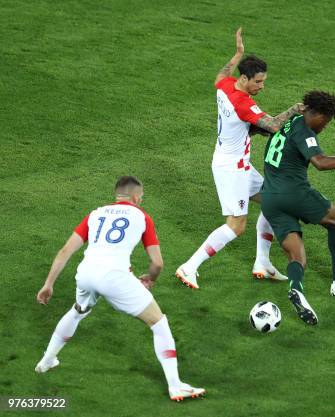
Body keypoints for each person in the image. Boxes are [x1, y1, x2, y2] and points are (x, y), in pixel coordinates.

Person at [35, 176, 205, 402]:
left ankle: (46, 361)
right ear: (135, 197)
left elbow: (66, 250)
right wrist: (150, 278)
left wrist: (48, 284)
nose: (141, 201)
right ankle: (175, 386)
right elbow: (157, 263)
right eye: (141, 197)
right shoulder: (142, 216)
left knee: (78, 311)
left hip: (85, 273)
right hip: (114, 276)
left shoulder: (95, 214)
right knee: (158, 322)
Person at [176, 28, 304, 288]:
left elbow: (221, 75)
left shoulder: (225, 86)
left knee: (273, 202)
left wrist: (237, 54)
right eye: (258, 81)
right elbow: (273, 126)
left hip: (238, 164)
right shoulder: (243, 103)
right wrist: (296, 109)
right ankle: (189, 267)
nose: (262, 86)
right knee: (236, 226)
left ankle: (262, 263)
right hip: (231, 169)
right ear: (244, 79)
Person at [260, 90, 335, 325]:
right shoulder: (304, 130)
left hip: (270, 197)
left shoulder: (292, 120)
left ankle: (297, 289)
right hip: (294, 192)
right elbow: (321, 163)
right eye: (324, 122)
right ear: (316, 114)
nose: (323, 128)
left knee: (296, 255)